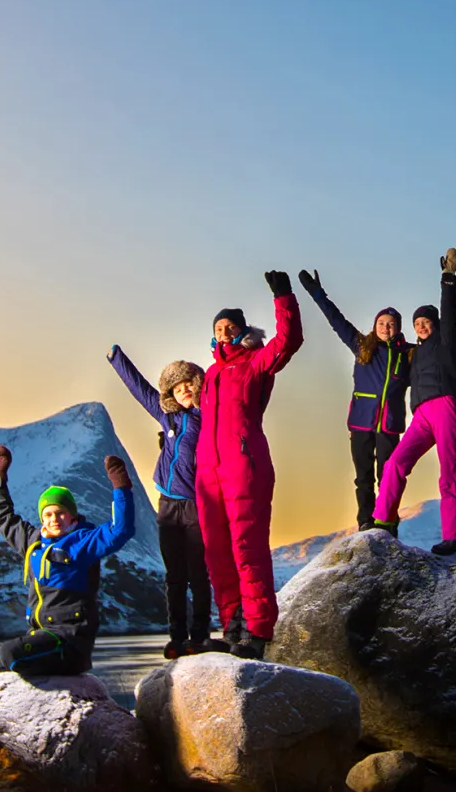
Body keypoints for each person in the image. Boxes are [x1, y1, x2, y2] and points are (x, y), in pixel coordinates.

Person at [196, 271, 304, 659]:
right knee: (217, 551)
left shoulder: (255, 362)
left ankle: (257, 632)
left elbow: (288, 342)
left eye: (230, 327)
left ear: (242, 331)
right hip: (208, 471)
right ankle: (232, 628)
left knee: (247, 545)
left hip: (245, 463)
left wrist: (284, 298)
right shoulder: (208, 376)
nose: (224, 333)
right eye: (218, 328)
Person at [372, 248, 456, 556]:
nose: (421, 326)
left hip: (446, 408)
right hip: (421, 416)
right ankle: (382, 520)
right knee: (396, 463)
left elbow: (450, 313)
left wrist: (447, 279)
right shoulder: (414, 352)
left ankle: (453, 536)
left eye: (426, 321)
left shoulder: (444, 342)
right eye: (417, 323)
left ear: (435, 324)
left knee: (449, 471)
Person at [108, 344, 222, 659]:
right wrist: (117, 357)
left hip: (197, 505)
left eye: (189, 385)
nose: (184, 390)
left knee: (199, 574)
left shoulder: (209, 418)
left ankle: (199, 637)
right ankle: (177, 638)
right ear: (171, 391)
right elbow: (140, 389)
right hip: (168, 504)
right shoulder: (166, 415)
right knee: (174, 576)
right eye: (178, 386)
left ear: (198, 387)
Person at [0, 444, 136, 675]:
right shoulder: (32, 541)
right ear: (42, 518)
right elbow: (3, 516)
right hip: (40, 636)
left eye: (60, 513)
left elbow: (121, 530)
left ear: (72, 515)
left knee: (10, 653)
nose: (54, 519)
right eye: (48, 514)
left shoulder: (83, 542)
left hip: (70, 641)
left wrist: (120, 484)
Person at [296, 269, 414, 531]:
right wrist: (317, 293)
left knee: (388, 477)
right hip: (361, 421)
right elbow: (335, 319)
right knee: (363, 477)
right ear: (375, 326)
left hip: (390, 424)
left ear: (399, 328)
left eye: (391, 324)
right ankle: (365, 522)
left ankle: (388, 522)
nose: (386, 327)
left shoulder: (408, 355)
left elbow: (433, 357)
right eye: (382, 323)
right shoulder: (362, 346)